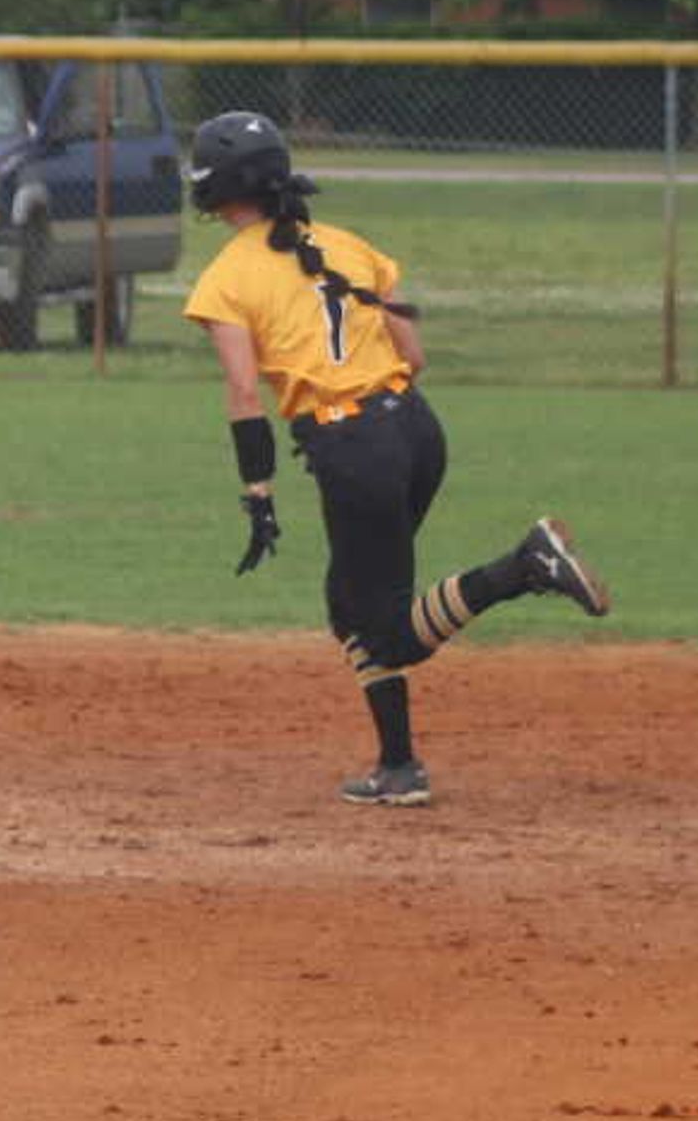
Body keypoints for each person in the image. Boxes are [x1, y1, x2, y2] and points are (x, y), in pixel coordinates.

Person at [180, 109, 611, 809]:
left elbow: (241, 388)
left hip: (354, 449)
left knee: (389, 631)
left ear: (213, 190)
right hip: (415, 430)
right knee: (348, 604)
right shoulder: (352, 245)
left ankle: (525, 564)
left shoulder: (226, 275)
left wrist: (257, 489)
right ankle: (398, 765)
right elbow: (414, 354)